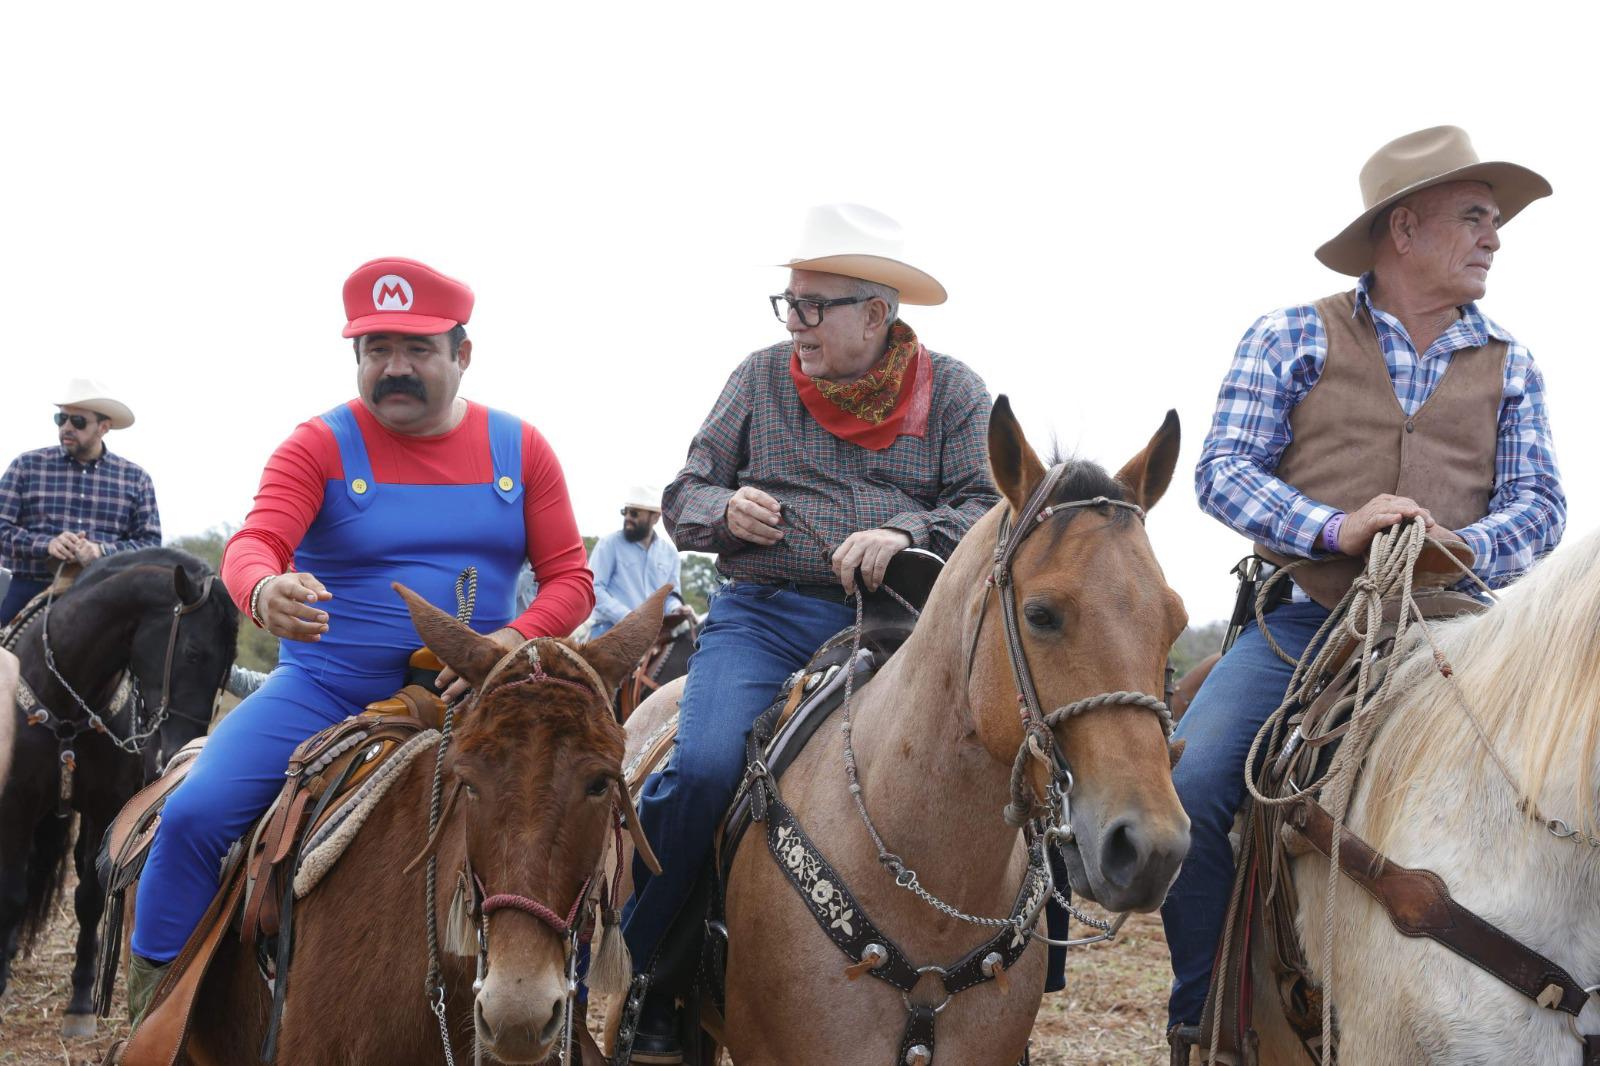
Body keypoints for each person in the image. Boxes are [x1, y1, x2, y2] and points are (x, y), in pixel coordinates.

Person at [1162, 126, 1566, 1038]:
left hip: (1462, 632)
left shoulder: (1513, 364)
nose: (1493, 237)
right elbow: (1223, 470)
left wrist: (1456, 546)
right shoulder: (1292, 335)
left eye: (1495, 222)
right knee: (1192, 791)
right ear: (1405, 229)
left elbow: (1541, 509)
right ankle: (1207, 1023)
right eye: (1474, 217)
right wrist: (1336, 528)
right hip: (1306, 624)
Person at [124, 256, 594, 1020]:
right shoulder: (318, 445)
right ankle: (156, 1016)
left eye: (417, 349)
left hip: (480, 703)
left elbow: (571, 580)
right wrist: (264, 590)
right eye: (376, 349)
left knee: (573, 819)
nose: (394, 368)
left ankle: (600, 1000)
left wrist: (512, 638)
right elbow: (254, 543)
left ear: (461, 354)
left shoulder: (523, 449)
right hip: (325, 692)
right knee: (193, 816)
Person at [623, 204, 998, 1063]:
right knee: (706, 767)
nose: (795, 324)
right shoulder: (757, 380)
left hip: (904, 627)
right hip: (765, 617)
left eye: (813, 306)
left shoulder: (958, 392)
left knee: (1008, 756)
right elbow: (684, 496)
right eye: (789, 303)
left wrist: (909, 535)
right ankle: (652, 977)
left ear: (877, 313)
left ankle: (1016, 969)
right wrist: (725, 509)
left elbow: (985, 506)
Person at [0, 379, 161, 620]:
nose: (66, 427)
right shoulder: (26, 466)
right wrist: (47, 544)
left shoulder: (136, 479)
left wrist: (101, 551)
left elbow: (151, 544)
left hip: (105, 591)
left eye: (78, 421)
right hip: (31, 586)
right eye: (61, 419)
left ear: (104, 427)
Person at [586, 485, 686, 639]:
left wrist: (677, 610)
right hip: (609, 629)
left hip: (653, 635)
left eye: (634, 513)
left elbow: (671, 596)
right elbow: (594, 589)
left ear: (655, 517)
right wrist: (630, 618)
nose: (627, 518)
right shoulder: (609, 544)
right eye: (625, 512)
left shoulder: (670, 553)